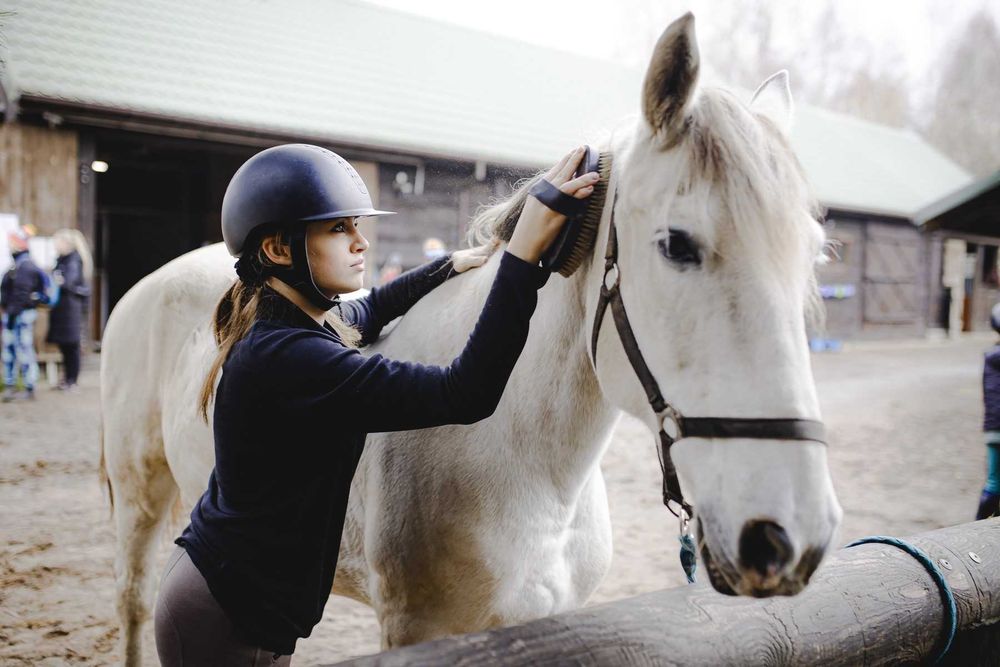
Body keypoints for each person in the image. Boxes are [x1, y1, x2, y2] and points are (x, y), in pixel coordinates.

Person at [153, 143, 599, 665]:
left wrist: (445, 268)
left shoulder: (286, 324)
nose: (361, 242)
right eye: (338, 229)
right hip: (224, 618)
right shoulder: (292, 359)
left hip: (231, 599)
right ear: (278, 250)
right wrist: (520, 259)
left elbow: (365, 311)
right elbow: (466, 391)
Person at [1, 227, 49, 401]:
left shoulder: (25, 267)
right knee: (11, 351)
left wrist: (13, 314)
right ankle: (12, 385)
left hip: (20, 316)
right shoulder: (18, 266)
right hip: (16, 314)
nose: (8, 246)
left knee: (22, 349)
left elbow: (21, 293)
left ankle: (28, 386)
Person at [46, 228, 92, 391]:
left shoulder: (72, 261)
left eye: (57, 242)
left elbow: (69, 282)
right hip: (63, 309)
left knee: (72, 346)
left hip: (70, 310)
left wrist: (58, 280)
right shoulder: (62, 260)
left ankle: (72, 380)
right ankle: (67, 378)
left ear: (66, 243)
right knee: (65, 346)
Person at [976, 302, 1000, 520]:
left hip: (993, 428)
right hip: (996, 427)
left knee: (994, 479)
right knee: (994, 482)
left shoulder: (990, 356)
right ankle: (978, 526)